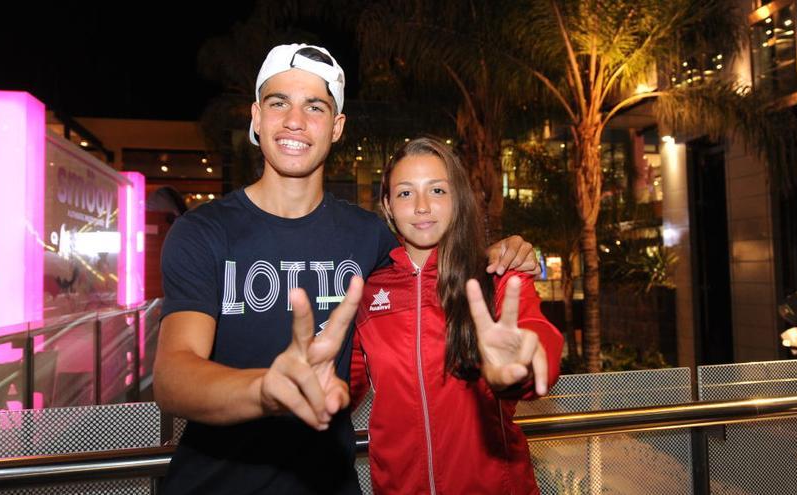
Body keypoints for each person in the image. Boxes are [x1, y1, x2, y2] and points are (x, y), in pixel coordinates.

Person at [153, 44, 539, 494]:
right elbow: (173, 376)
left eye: (314, 106)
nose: (295, 120)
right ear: (256, 117)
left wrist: (500, 255)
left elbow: (427, 268)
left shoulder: (368, 236)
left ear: (336, 127)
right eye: (279, 103)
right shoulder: (203, 232)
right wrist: (266, 390)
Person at [351, 137, 563, 494]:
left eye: (437, 190)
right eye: (405, 193)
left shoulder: (497, 277)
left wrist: (523, 365)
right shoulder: (369, 293)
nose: (421, 207)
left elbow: (537, 335)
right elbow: (343, 387)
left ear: (458, 199)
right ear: (387, 205)